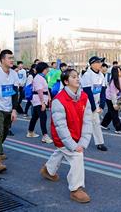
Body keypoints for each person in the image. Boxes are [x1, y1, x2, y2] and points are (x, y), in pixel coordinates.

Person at [40, 68, 93, 203]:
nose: (77, 79)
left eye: (77, 76)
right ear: (65, 81)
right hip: (62, 137)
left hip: (77, 134)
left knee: (61, 153)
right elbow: (61, 128)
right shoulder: (59, 100)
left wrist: (83, 141)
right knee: (76, 155)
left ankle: (48, 170)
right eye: (73, 77)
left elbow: (87, 121)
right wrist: (74, 146)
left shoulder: (84, 97)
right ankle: (76, 189)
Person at [80, 56, 108, 151]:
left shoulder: (101, 75)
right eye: (98, 62)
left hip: (95, 104)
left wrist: (101, 105)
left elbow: (103, 91)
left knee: (96, 123)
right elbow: (87, 92)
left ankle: (100, 143)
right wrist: (93, 107)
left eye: (101, 62)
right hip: (85, 104)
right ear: (92, 64)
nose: (101, 64)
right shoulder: (87, 75)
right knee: (82, 123)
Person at [27, 62, 53, 144]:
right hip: (39, 99)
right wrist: (42, 102)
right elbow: (39, 91)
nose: (48, 70)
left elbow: (45, 89)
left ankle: (30, 132)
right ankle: (45, 136)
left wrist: (48, 96)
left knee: (35, 116)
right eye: (47, 68)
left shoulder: (42, 77)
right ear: (43, 69)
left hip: (40, 99)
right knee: (43, 117)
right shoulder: (38, 78)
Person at [100, 66, 121, 134]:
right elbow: (113, 94)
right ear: (115, 73)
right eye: (119, 71)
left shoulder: (120, 79)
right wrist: (114, 104)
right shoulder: (113, 82)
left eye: (120, 70)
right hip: (110, 98)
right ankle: (118, 129)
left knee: (110, 112)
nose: (120, 72)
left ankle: (103, 124)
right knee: (114, 114)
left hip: (116, 97)